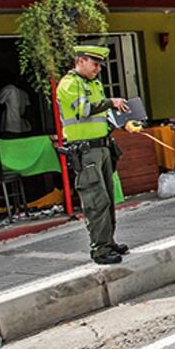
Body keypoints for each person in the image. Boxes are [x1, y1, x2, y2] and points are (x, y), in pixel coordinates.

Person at [56, 45, 131, 265]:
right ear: (80, 61)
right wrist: (111, 102)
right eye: (94, 64)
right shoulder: (70, 84)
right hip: (86, 151)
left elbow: (103, 114)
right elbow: (84, 110)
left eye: (99, 65)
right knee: (95, 200)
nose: (98, 69)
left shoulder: (94, 84)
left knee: (107, 198)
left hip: (102, 147)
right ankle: (99, 249)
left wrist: (121, 121)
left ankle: (108, 241)